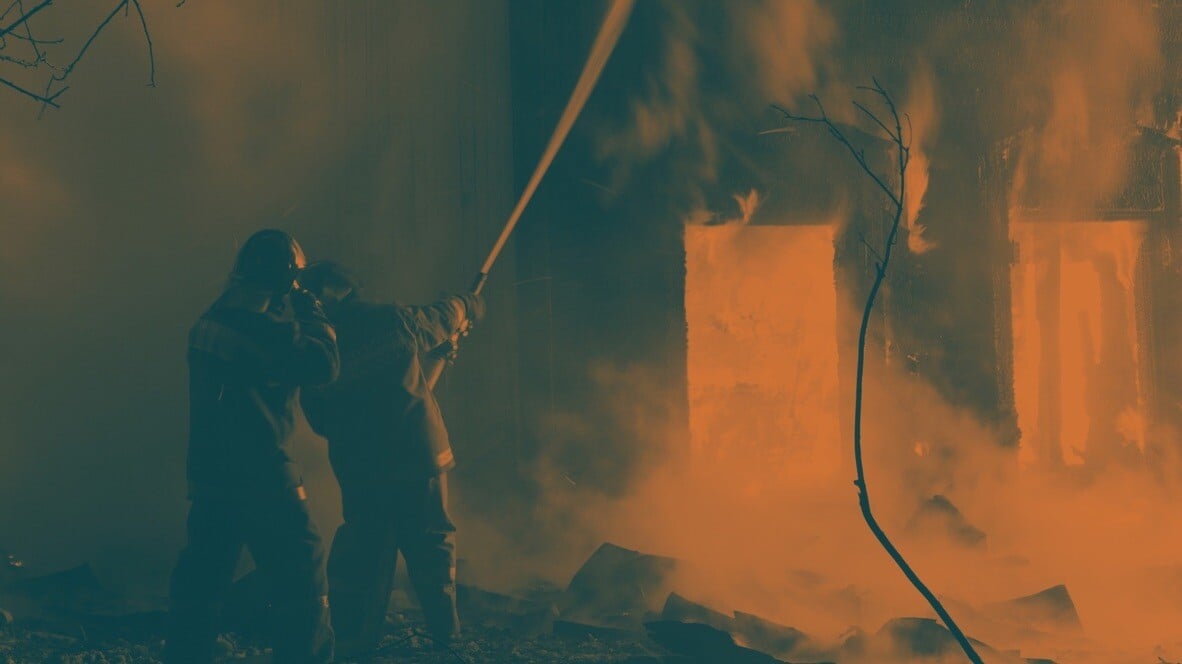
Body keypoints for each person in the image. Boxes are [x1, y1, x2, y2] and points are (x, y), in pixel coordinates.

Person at [165, 229, 339, 664]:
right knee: (303, 576)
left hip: (211, 477)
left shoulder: (212, 320)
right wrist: (311, 308)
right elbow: (323, 364)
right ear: (285, 279)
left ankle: (187, 655)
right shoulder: (259, 330)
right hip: (265, 477)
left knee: (202, 581)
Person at [297, 261, 484, 656]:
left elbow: (321, 420)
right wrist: (466, 305)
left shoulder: (314, 348)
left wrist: (432, 359)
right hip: (418, 456)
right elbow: (439, 318)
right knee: (431, 543)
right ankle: (445, 636)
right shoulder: (388, 319)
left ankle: (352, 638)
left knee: (364, 547)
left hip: (362, 467)